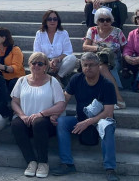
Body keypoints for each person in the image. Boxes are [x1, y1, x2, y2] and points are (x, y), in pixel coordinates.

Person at [51, 52, 118, 181]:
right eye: (85, 65)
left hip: (101, 120)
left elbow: (108, 112)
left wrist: (88, 122)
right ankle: (67, 163)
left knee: (108, 127)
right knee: (62, 122)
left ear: (98, 66)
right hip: (80, 118)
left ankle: (110, 169)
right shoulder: (76, 79)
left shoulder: (107, 84)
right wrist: (55, 114)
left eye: (92, 65)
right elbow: (65, 99)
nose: (88, 68)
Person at [10, 52, 66, 178]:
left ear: (46, 66)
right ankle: (31, 161)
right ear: (29, 65)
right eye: (33, 63)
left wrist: (41, 113)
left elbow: (61, 104)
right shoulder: (21, 80)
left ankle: (43, 162)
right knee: (16, 124)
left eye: (40, 63)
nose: (36, 66)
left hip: (45, 123)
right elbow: (14, 102)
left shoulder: (53, 82)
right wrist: (22, 115)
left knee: (38, 122)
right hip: (27, 120)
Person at [83, 7, 128, 109]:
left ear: (111, 20)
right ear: (97, 21)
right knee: (97, 67)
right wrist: (99, 48)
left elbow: (126, 50)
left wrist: (125, 67)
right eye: (101, 20)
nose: (105, 22)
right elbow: (85, 47)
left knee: (102, 68)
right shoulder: (92, 30)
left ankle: (118, 99)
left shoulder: (117, 31)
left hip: (114, 61)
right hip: (95, 59)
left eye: (108, 20)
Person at [34, 10, 78, 83]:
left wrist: (57, 59)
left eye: (55, 19)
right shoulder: (39, 34)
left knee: (72, 58)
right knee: (35, 60)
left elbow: (68, 51)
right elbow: (37, 52)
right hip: (44, 62)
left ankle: (58, 77)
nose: (52, 21)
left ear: (58, 21)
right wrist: (48, 62)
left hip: (59, 62)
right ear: (45, 21)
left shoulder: (63, 33)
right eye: (49, 19)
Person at [0, 26, 25, 93]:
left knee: (13, 84)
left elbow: (16, 68)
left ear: (3, 38)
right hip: (2, 79)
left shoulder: (15, 50)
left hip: (15, 78)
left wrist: (0, 66)